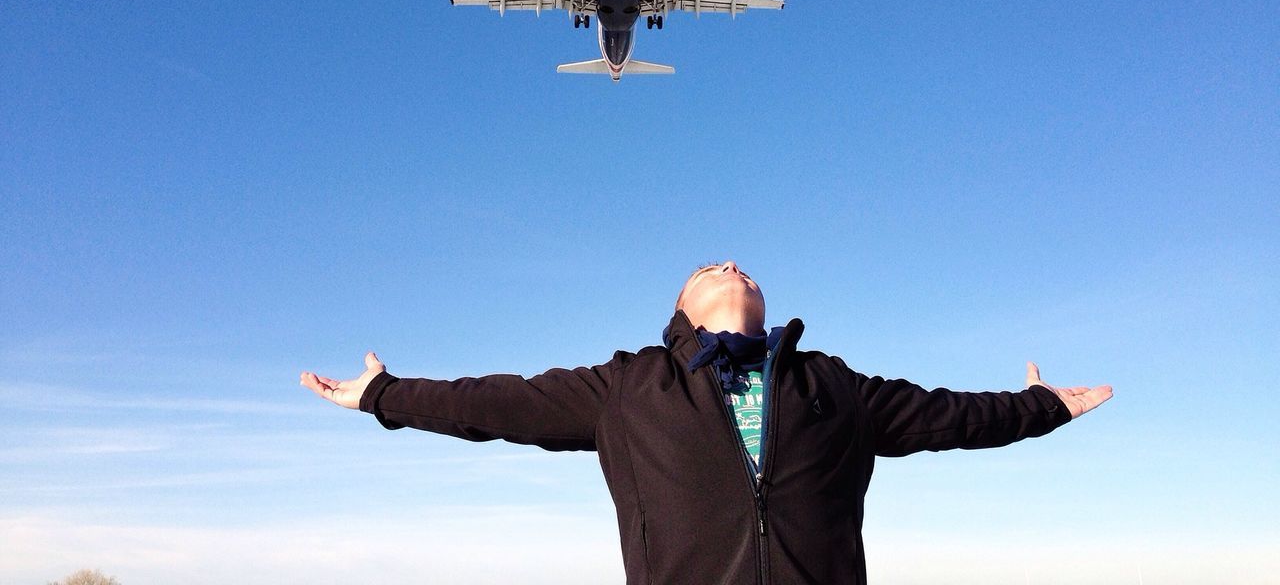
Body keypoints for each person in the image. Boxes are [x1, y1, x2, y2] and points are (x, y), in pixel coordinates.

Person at [301, 261, 1112, 585]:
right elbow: (496, 404)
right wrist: (384, 394)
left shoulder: (831, 385)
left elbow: (949, 416)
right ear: (680, 312)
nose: (730, 265)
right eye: (709, 267)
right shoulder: (629, 387)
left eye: (743, 267)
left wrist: (1041, 408)